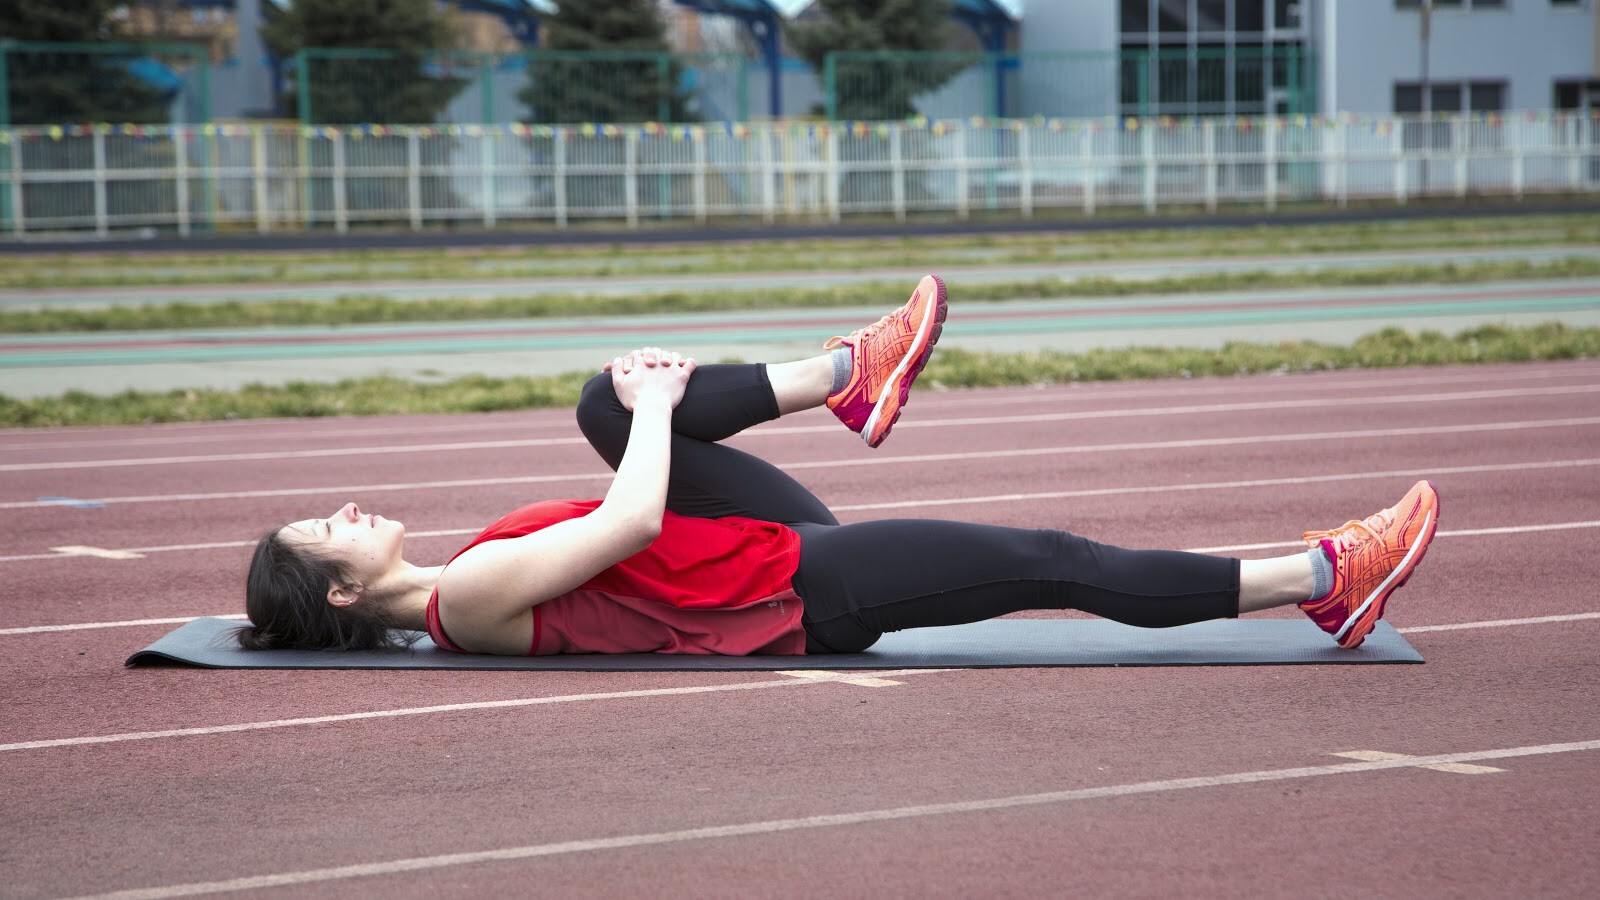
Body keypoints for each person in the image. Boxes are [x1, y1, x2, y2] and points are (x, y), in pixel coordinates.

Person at [240, 275, 1440, 657]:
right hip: (797, 596)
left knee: (592, 405)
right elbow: (627, 522)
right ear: (340, 591)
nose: (342, 510)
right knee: (1050, 561)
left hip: (750, 553)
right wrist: (661, 405)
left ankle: (844, 377)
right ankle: (1318, 580)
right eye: (324, 530)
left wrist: (635, 409)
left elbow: (636, 521)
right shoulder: (465, 600)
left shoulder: (456, 584)